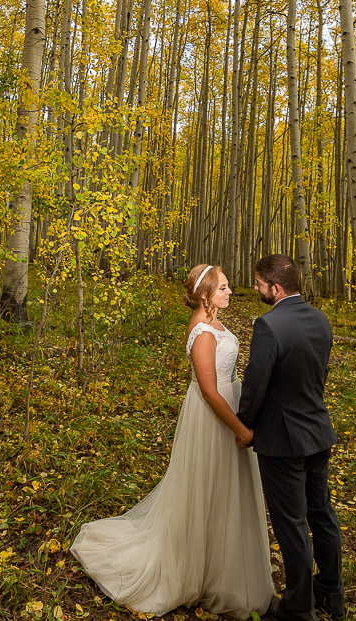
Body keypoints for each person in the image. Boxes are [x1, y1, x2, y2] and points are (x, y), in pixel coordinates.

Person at [71, 264, 276, 618]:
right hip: (214, 418)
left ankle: (219, 565)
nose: (230, 292)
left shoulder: (214, 323)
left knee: (226, 491)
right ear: (205, 295)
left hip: (229, 406)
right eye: (223, 288)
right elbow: (211, 393)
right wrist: (241, 430)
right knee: (207, 488)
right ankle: (197, 569)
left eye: (228, 287)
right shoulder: (203, 332)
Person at [238, 254, 345, 621]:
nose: (256, 288)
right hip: (318, 432)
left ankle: (299, 609)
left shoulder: (269, 325)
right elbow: (317, 375)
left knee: (292, 525)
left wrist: (245, 424)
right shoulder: (320, 318)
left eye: (259, 283)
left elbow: (256, 384)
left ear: (276, 287)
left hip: (282, 441)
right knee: (322, 516)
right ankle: (331, 594)